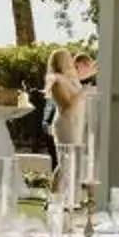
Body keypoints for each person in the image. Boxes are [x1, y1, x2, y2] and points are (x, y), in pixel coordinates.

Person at [44, 47, 90, 179]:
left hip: (76, 123)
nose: (71, 60)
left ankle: (67, 194)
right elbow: (66, 105)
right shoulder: (56, 83)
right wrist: (83, 92)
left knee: (74, 164)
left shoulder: (70, 78)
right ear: (60, 62)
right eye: (67, 58)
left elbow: (84, 73)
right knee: (65, 164)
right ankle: (54, 195)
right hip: (66, 125)